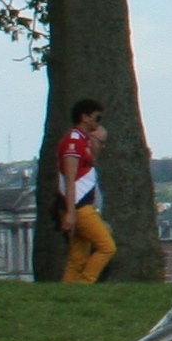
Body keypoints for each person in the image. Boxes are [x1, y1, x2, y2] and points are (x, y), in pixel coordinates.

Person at [54, 97, 114, 284]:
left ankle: (68, 290)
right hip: (79, 206)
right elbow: (70, 179)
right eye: (96, 118)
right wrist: (70, 212)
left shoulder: (82, 141)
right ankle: (86, 282)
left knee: (78, 257)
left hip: (80, 204)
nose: (98, 122)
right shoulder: (74, 142)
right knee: (107, 247)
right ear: (84, 117)